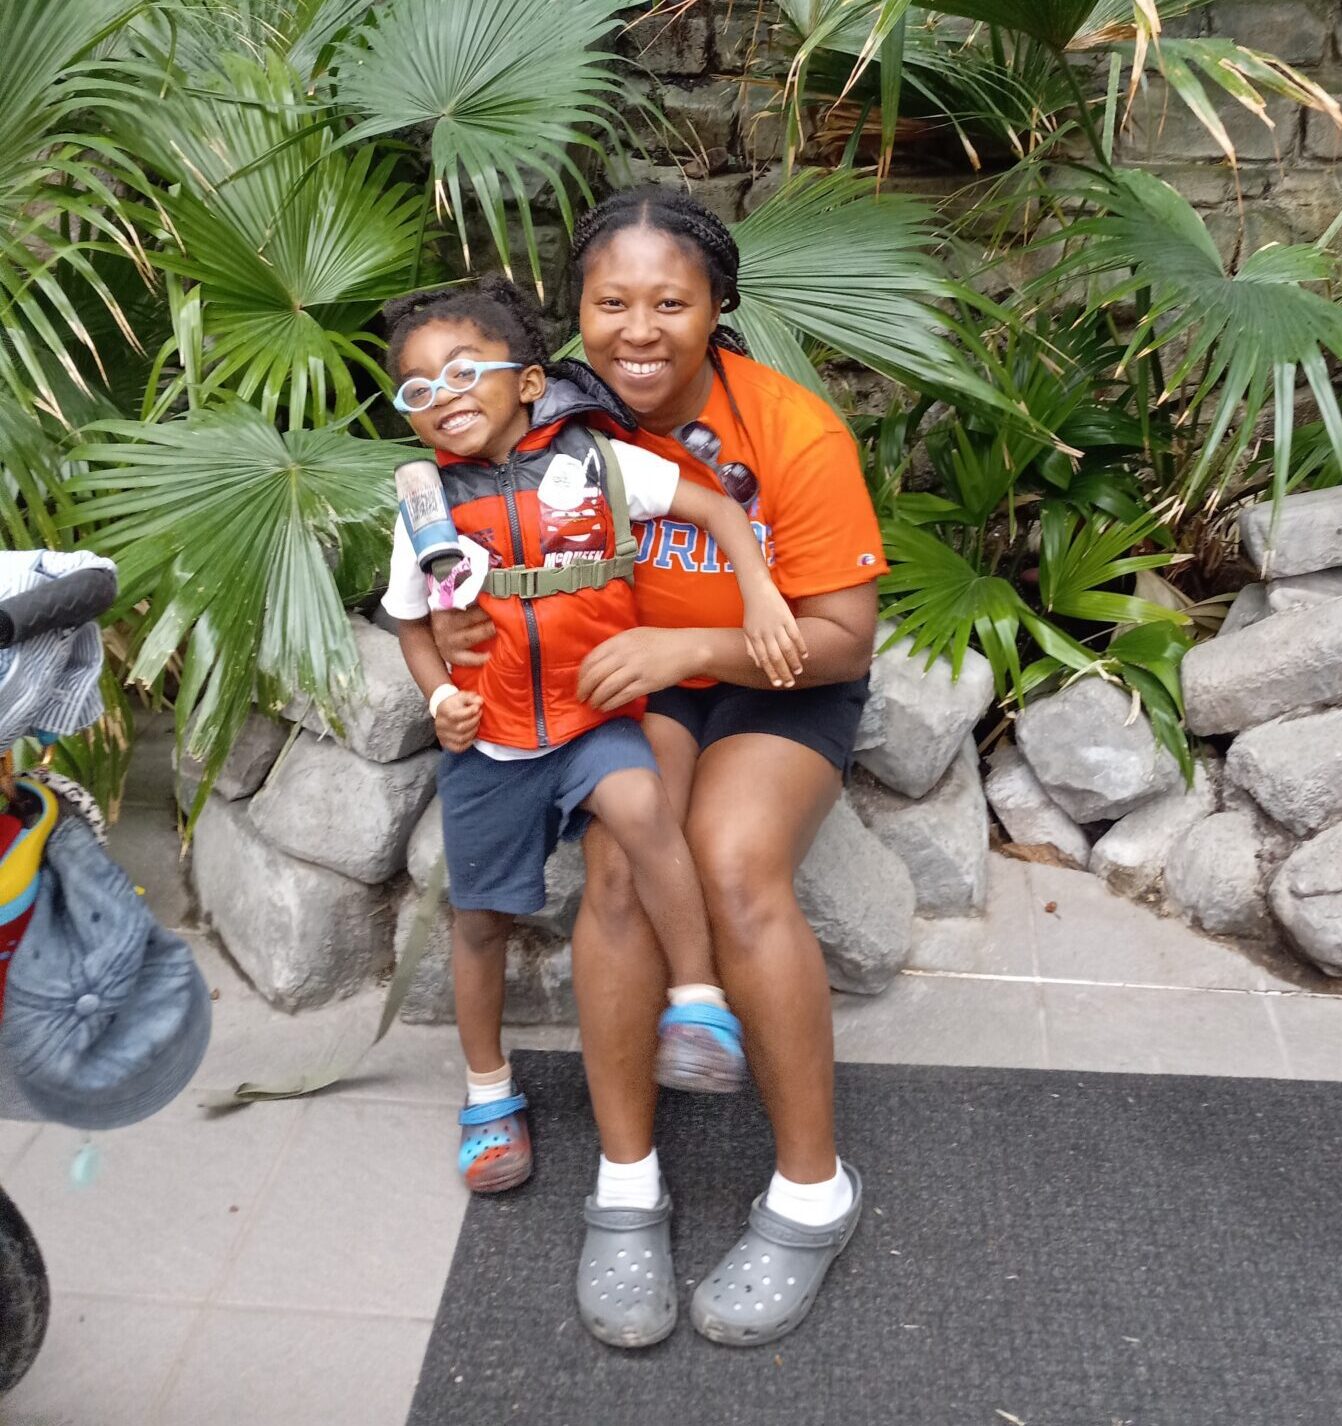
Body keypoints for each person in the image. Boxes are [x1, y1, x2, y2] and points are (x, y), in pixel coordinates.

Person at [428, 191, 887, 1349]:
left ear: (719, 307)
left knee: (733, 862)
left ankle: (811, 1191)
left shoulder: (792, 431)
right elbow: (451, 559)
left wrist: (693, 642)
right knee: (628, 863)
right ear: (571, 318)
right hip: (634, 679)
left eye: (671, 302)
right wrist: (460, 642)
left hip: (775, 678)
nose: (640, 329)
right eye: (611, 301)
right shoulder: (545, 426)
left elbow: (841, 636)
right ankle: (626, 1183)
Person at [378, 277, 808, 1197]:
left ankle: (697, 1003)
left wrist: (760, 589)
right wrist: (435, 698)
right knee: (482, 920)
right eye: (416, 390)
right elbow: (415, 624)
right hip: (488, 740)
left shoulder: (602, 464)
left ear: (529, 382)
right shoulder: (424, 512)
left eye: (462, 373)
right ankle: (488, 1093)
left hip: (593, 716)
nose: (441, 397)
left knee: (643, 803)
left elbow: (719, 509)